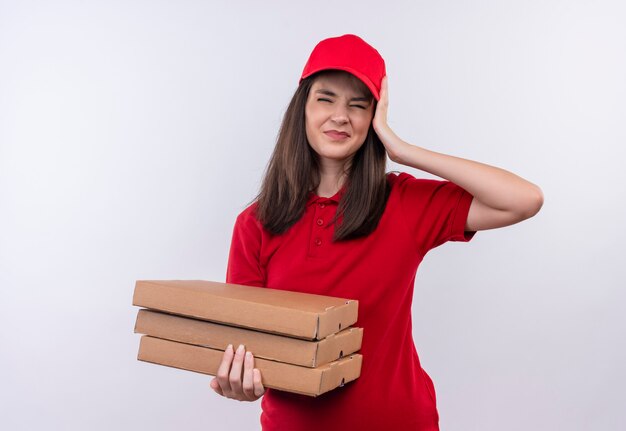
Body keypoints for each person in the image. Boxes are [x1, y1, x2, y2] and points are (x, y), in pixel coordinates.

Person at [209, 34, 543, 430]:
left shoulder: (402, 203)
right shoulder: (255, 224)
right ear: (302, 107)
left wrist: (402, 150)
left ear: (374, 119)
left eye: (358, 105)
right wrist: (242, 383)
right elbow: (246, 346)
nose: (340, 116)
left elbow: (523, 199)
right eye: (326, 98)